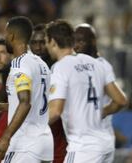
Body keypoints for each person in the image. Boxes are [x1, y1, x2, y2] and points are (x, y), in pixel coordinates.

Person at [46, 20, 128, 163]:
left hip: (83, 147)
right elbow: (121, 100)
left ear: (52, 41)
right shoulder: (96, 63)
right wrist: (100, 113)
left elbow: (55, 111)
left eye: (46, 42)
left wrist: (30, 127)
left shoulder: (60, 67)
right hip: (105, 144)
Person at [0, 16, 53, 162]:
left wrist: (5, 138)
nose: (4, 38)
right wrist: (4, 106)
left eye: (5, 34)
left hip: (25, 145)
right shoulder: (41, 64)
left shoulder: (20, 64)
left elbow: (25, 102)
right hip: (44, 143)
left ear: (12, 36)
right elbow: (36, 101)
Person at [74, 23, 128, 162]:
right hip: (105, 140)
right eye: (74, 41)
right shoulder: (98, 64)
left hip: (88, 142)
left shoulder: (98, 66)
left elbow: (121, 100)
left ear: (93, 41)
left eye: (81, 41)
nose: (76, 45)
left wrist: (99, 113)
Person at [30, 24, 67, 163]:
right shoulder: (25, 69)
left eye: (42, 42)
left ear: (50, 43)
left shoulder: (59, 68)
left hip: (57, 129)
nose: (38, 47)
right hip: (33, 131)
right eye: (34, 43)